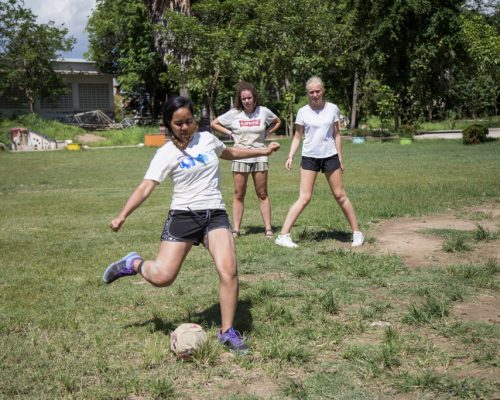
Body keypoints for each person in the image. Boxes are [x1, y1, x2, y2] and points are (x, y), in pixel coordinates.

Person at [103, 96, 280, 354]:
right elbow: (146, 187)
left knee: (228, 269)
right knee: (163, 277)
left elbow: (229, 152)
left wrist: (261, 151)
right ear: (168, 125)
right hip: (183, 216)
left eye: (189, 121)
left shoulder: (207, 139)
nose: (185, 127)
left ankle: (227, 332)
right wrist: (122, 215)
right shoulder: (165, 154)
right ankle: (134, 264)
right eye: (178, 123)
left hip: (214, 214)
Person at [275, 76, 364, 248]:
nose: (315, 95)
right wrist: (290, 156)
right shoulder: (302, 111)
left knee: (340, 194)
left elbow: (336, 134)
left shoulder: (332, 109)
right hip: (309, 157)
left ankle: (357, 233)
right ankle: (283, 235)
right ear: (307, 93)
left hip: (330, 156)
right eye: (311, 92)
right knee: (305, 197)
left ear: (323, 91)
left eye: (317, 91)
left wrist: (340, 157)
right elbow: (297, 136)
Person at [211, 81, 281, 239]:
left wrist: (267, 133)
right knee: (238, 194)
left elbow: (277, 121)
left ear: (254, 98)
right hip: (240, 156)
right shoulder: (234, 113)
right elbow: (214, 123)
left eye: (249, 98)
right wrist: (230, 133)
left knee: (262, 193)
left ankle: (268, 229)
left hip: (260, 155)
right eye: (244, 98)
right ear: (240, 100)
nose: (247, 101)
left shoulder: (263, 112)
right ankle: (236, 230)